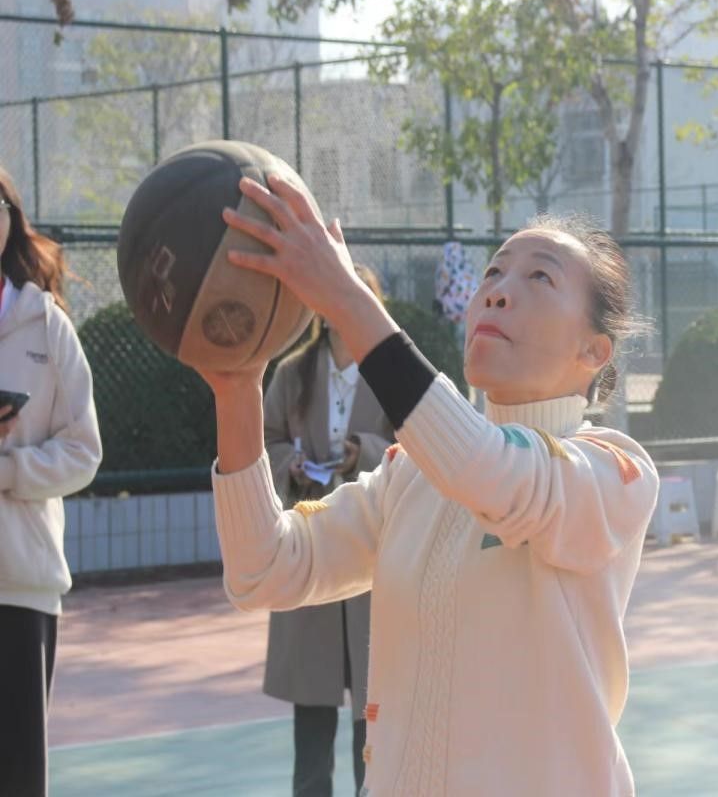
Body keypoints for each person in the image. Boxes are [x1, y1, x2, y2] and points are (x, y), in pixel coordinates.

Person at [201, 175, 658, 797]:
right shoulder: (412, 473)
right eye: (493, 273)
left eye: (539, 277)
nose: (497, 291)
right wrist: (236, 388)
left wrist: (346, 298)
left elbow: (489, 470)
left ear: (594, 351)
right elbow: (262, 570)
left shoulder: (611, 472)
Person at [262, 264, 394, 797]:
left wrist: (366, 450)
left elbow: (417, 444)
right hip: (311, 543)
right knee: (312, 718)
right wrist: (288, 464)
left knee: (373, 710)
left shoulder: (390, 372)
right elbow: (264, 440)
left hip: (372, 547)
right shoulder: (293, 371)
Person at [0, 167, 102, 796]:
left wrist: (10, 469)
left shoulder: (47, 324)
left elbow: (84, 452)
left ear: (10, 220)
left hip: (22, 584)